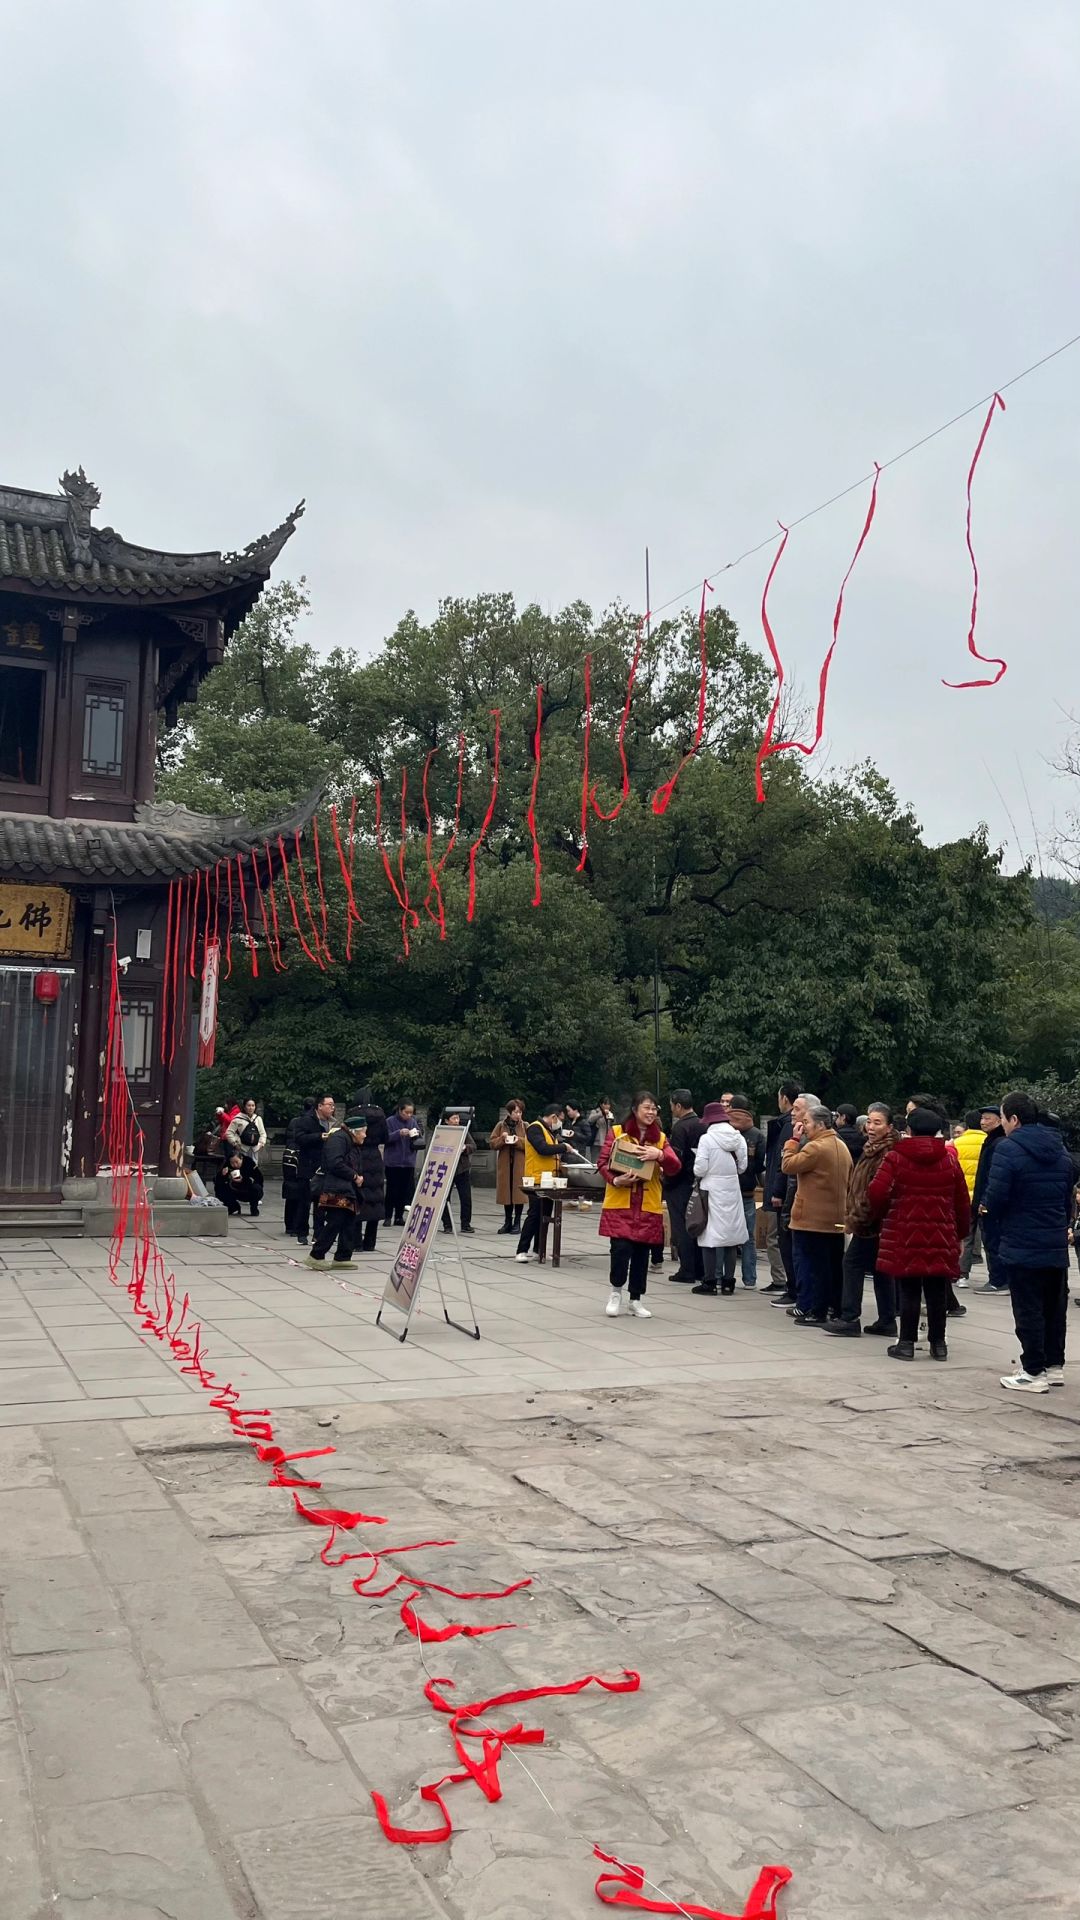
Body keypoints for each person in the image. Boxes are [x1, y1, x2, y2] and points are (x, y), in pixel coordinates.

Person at [985, 1091, 1074, 1393]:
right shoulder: (1060, 1150)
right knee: (1054, 1307)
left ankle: (1033, 1371)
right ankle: (1054, 1365)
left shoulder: (1008, 1149)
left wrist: (990, 1216)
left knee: (1028, 1308)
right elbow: (1066, 1200)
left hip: (1021, 1240)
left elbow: (996, 1197)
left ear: (1014, 1119)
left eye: (1003, 1118)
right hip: (1054, 1242)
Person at [867, 1105, 971, 1361]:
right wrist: (960, 1234)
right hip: (942, 1231)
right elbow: (961, 1201)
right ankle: (939, 1344)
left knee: (909, 1288)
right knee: (937, 1288)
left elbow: (876, 1192)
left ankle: (906, 1343)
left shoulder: (896, 1157)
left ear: (908, 1130)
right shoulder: (949, 1160)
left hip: (905, 1231)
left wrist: (885, 1213)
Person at [596, 1092, 681, 1317]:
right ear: (635, 1109)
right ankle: (615, 1293)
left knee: (642, 1255)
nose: (651, 1112)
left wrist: (660, 1155)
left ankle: (636, 1299)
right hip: (621, 1203)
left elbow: (675, 1167)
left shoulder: (661, 1139)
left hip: (647, 1205)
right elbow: (602, 1162)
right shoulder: (617, 1133)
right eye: (647, 1107)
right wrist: (616, 1180)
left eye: (654, 1108)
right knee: (620, 1250)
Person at [822, 1103, 899, 1337]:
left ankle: (849, 1317)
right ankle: (886, 1319)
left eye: (878, 1123)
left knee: (852, 1263)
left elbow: (881, 1190)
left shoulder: (887, 1152)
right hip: (870, 1220)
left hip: (873, 1222)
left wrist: (863, 1214)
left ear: (889, 1127)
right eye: (870, 1122)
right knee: (881, 1269)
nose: (872, 1127)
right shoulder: (873, 1147)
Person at [780, 1103, 851, 1326]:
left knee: (812, 1266)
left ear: (820, 1124)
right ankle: (834, 1307)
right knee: (832, 1266)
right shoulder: (841, 1145)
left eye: (808, 1122)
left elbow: (788, 1166)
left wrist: (792, 1142)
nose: (804, 1127)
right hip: (835, 1217)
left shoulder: (815, 1148)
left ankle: (815, 1310)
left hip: (811, 1218)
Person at [691, 1101, 748, 1295]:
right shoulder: (738, 1137)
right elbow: (743, 1167)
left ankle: (709, 1281)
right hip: (732, 1189)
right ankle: (728, 1282)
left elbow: (700, 1168)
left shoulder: (706, 1139)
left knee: (709, 1235)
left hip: (711, 1189)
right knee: (730, 1237)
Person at [308, 1112, 368, 1270]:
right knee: (335, 1222)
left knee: (348, 1221)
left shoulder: (349, 1140)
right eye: (364, 1132)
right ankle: (316, 1255)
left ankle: (342, 1257)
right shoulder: (339, 1139)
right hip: (336, 1188)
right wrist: (354, 1176)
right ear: (355, 1131)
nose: (365, 1135)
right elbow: (335, 1163)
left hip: (347, 1189)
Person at [761, 1082, 801, 1296]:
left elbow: (781, 1162)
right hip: (787, 1190)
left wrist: (776, 1191)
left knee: (779, 1238)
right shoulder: (786, 1125)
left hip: (784, 1191)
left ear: (785, 1098)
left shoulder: (787, 1126)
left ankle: (786, 1283)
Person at [723, 1095, 765, 1289]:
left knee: (724, 1235)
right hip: (747, 1190)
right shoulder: (756, 1134)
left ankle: (722, 1275)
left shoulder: (722, 1130)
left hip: (725, 1191)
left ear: (731, 1108)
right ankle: (750, 1279)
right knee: (748, 1237)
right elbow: (759, 1166)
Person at [516, 1104, 564, 1262]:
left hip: (549, 1180)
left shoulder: (550, 1131)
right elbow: (542, 1149)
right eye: (559, 1119)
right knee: (535, 1214)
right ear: (553, 1117)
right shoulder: (534, 1128)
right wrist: (563, 1147)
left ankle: (539, 1249)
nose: (560, 1123)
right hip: (536, 1179)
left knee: (545, 1215)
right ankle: (522, 1250)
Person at [288, 1093, 337, 1246]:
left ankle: (318, 1233)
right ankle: (302, 1233)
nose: (332, 1108)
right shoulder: (306, 1120)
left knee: (322, 1203)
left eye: (333, 1105)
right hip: (308, 1166)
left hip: (325, 1167)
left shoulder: (333, 1123)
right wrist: (320, 1136)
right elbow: (300, 1139)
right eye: (329, 1104)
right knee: (305, 1201)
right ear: (320, 1106)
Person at [666, 1090, 705, 1284]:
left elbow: (676, 1161)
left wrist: (667, 1182)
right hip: (699, 1182)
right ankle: (700, 1268)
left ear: (678, 1106)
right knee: (698, 1225)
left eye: (671, 1105)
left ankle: (687, 1269)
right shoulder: (703, 1124)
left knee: (682, 1227)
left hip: (680, 1184)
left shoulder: (681, 1127)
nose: (671, 1109)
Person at [972, 1105, 1009, 1293]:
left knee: (993, 1239)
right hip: (986, 1197)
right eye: (982, 1118)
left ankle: (998, 1280)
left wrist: (985, 1201)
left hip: (990, 1202)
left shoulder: (998, 1142)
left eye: (988, 1118)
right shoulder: (991, 1141)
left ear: (999, 1120)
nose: (983, 1122)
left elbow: (994, 1176)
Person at [955, 1108, 987, 1281]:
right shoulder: (988, 1141)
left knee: (965, 1236)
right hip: (982, 1197)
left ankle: (962, 1274)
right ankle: (996, 1278)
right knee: (987, 1237)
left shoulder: (957, 1143)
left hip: (963, 1196)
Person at [384, 1101, 425, 1226]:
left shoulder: (412, 1121)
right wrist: (399, 1133)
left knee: (403, 1190)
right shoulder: (390, 1121)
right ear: (400, 1110)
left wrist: (416, 1134)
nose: (408, 1115)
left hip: (408, 1161)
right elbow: (385, 1138)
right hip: (393, 1162)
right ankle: (387, 1216)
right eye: (406, 1112)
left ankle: (399, 1216)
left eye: (411, 1113)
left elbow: (419, 1135)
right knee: (392, 1189)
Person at [490, 1099, 527, 1234]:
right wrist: (502, 1139)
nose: (518, 1115)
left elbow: (531, 1144)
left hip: (519, 1164)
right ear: (509, 1112)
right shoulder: (501, 1125)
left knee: (518, 1194)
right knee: (506, 1193)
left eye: (520, 1112)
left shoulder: (525, 1126)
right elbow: (492, 1143)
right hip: (505, 1164)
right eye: (515, 1112)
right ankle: (507, 1222)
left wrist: (518, 1141)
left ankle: (517, 1222)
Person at [282, 1097, 315, 1238]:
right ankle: (296, 1226)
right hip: (302, 1159)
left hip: (290, 1157)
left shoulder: (294, 1121)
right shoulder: (310, 1122)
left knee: (291, 1191)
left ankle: (289, 1225)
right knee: (302, 1194)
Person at [441, 1109, 475, 1234]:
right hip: (446, 1168)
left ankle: (466, 1224)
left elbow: (473, 1146)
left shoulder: (463, 1131)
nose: (456, 1121)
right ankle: (447, 1224)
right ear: (446, 1121)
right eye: (453, 1119)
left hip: (462, 1168)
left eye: (457, 1118)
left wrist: (465, 1148)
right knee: (445, 1198)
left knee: (466, 1198)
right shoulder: (442, 1131)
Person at [214, 1150, 264, 1218]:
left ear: (241, 1158)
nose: (234, 1165)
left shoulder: (249, 1162)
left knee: (256, 1188)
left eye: (237, 1162)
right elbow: (217, 1180)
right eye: (232, 1163)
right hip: (234, 1189)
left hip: (248, 1190)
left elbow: (259, 1178)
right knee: (219, 1188)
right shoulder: (227, 1165)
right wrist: (222, 1175)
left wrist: (244, 1180)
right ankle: (233, 1206)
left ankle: (254, 1208)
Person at [226, 1098, 267, 1174]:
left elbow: (263, 1133)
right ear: (244, 1107)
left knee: (254, 1169)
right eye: (248, 1105)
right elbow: (229, 1133)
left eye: (253, 1105)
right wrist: (235, 1143)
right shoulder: (238, 1119)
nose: (251, 1108)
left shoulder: (258, 1119)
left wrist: (261, 1143)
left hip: (255, 1149)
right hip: (242, 1148)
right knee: (242, 1169)